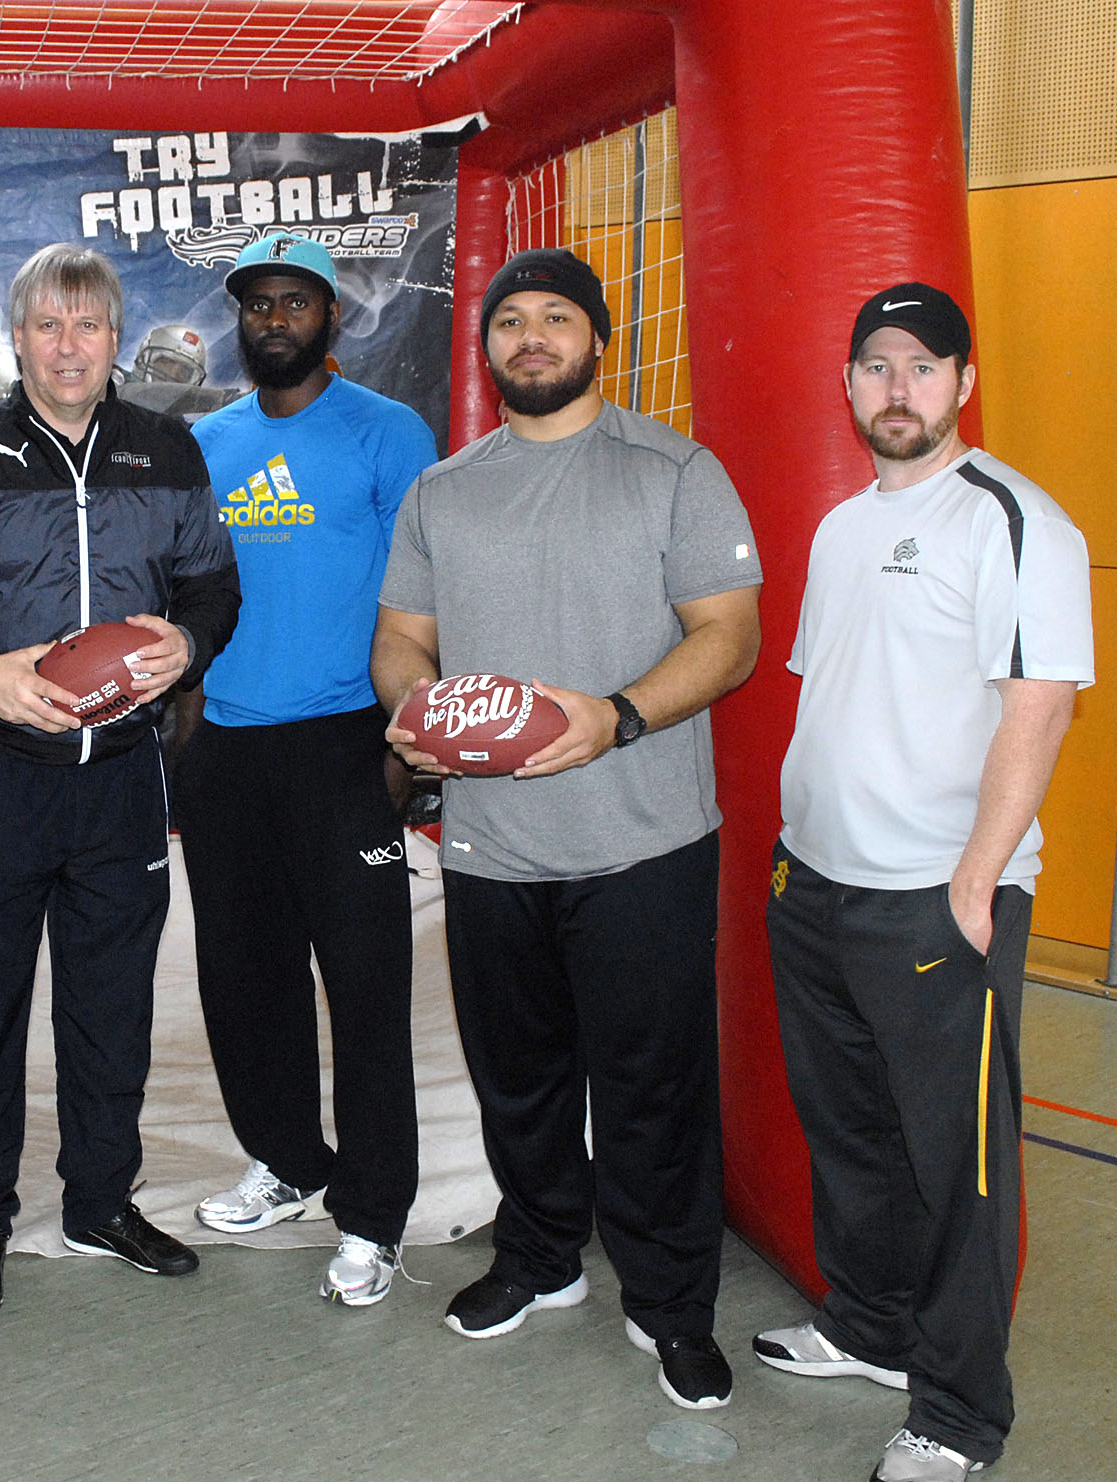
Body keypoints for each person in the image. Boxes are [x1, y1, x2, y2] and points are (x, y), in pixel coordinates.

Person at [372, 248, 762, 1409]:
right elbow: (401, 638)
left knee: (654, 1089)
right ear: (486, 345)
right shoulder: (445, 491)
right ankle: (541, 1258)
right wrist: (415, 712)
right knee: (520, 1081)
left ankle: (672, 1304)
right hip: (493, 848)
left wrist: (617, 716)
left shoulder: (675, 470)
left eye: (556, 317)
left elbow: (729, 635)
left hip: (643, 841)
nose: (531, 337)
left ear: (598, 340)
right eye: (511, 321)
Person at [0, 244, 241, 1318]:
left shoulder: (167, 449)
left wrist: (188, 645)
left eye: (88, 325)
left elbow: (214, 587)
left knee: (113, 1005)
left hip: (122, 777)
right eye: (48, 325)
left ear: (114, 338)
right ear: (18, 339)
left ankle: (101, 1203)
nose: (69, 346)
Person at [759, 283, 1092, 1482]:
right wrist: (798, 858)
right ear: (849, 385)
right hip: (816, 888)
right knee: (852, 1134)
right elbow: (839, 695)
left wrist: (976, 882)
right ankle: (869, 1328)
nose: (896, 388)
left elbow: (1039, 708)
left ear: (963, 383)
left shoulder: (1012, 519)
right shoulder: (842, 526)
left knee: (958, 1168)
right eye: (876, 366)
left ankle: (957, 1415)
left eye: (922, 366)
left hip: (934, 900)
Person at [172, 233, 438, 1306]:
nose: (274, 320)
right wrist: (187, 726)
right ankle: (287, 1162)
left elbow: (425, 597)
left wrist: (400, 745)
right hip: (227, 749)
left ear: (331, 316)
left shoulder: (389, 432)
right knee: (246, 982)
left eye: (294, 302)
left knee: (365, 990)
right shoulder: (208, 441)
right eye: (258, 304)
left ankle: (373, 1216)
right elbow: (186, 592)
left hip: (343, 743)